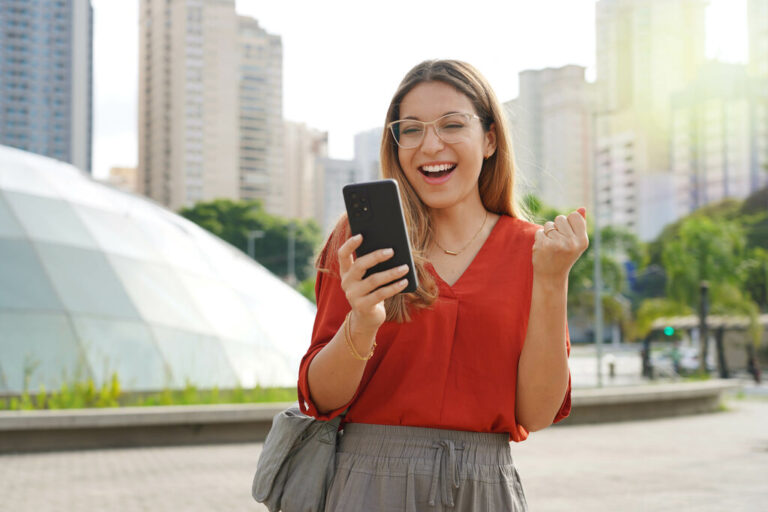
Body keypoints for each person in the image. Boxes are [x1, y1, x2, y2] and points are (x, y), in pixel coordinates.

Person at [297, 59, 589, 511]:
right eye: (410, 129)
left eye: (452, 124)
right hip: (369, 485)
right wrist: (363, 321)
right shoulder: (359, 241)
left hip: (486, 488)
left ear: (490, 139)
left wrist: (552, 282)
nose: (430, 145)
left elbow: (537, 413)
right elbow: (320, 398)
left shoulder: (536, 253)